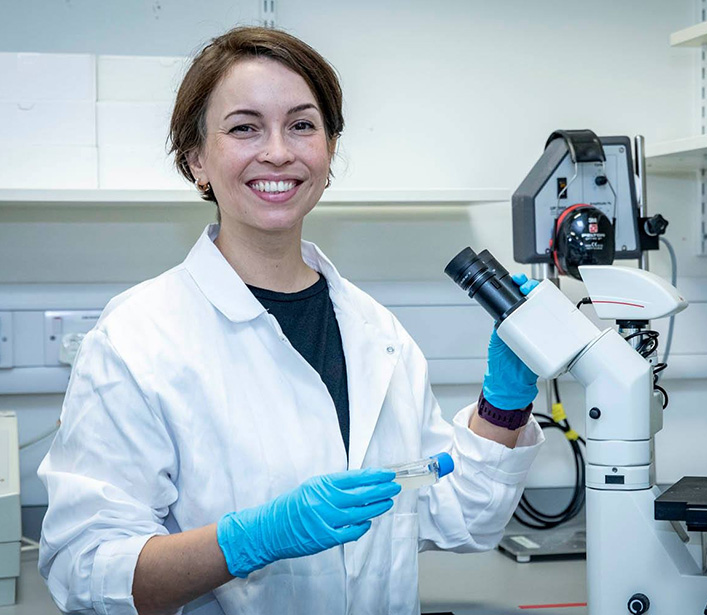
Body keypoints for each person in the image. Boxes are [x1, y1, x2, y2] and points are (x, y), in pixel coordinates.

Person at [37, 26, 544, 615]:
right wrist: (248, 542)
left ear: (328, 153)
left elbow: (458, 515)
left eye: (302, 125)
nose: (278, 151)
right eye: (245, 127)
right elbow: (85, 571)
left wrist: (504, 399)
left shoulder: (376, 333)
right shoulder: (138, 338)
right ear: (197, 159)